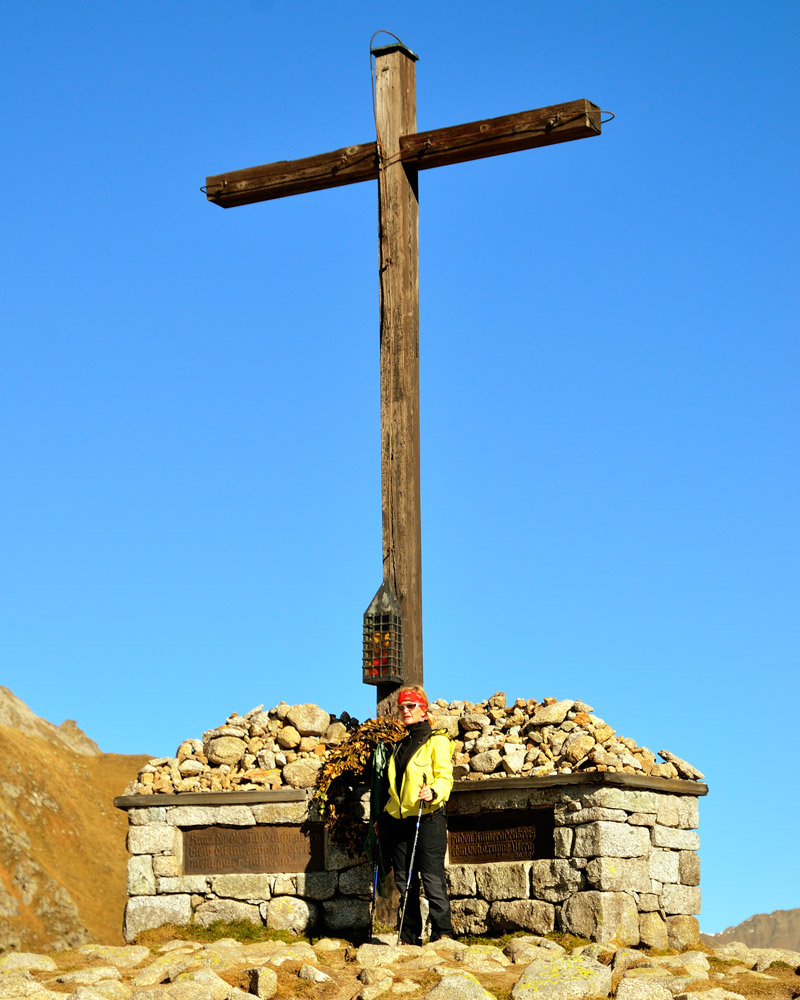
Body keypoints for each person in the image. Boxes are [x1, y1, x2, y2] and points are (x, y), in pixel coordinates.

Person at [381, 685, 454, 944]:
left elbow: (445, 777)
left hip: (429, 817)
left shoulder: (438, 741)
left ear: (423, 709)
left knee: (432, 878)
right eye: (402, 707)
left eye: (410, 706)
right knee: (404, 880)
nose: (405, 711)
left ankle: (443, 934)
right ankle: (409, 936)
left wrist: (434, 791)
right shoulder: (398, 746)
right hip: (400, 820)